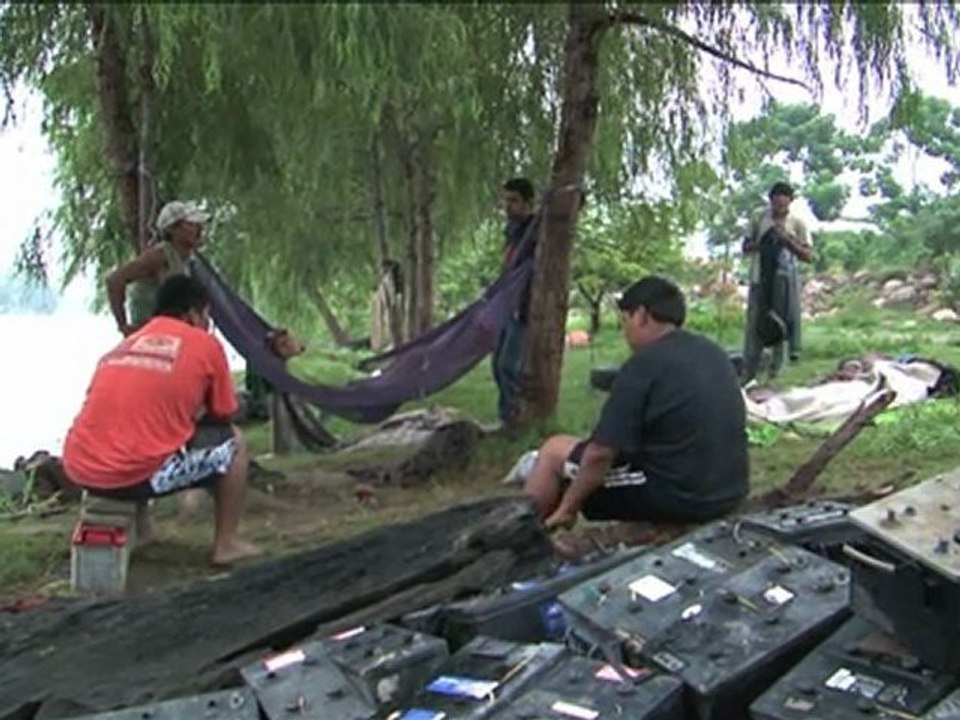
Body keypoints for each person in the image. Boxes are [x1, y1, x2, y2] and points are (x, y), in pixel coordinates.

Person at [62, 275, 261, 566]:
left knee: (145, 432)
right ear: (194, 313)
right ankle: (226, 543)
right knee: (235, 443)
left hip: (82, 468)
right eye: (206, 316)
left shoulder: (127, 343)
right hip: (135, 475)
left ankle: (144, 532)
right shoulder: (205, 344)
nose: (207, 323)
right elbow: (223, 413)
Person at [523, 276, 749, 530]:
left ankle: (524, 535)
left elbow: (601, 454)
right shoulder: (713, 352)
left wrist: (569, 507)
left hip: (682, 498)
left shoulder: (644, 364)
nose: (625, 332)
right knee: (576, 456)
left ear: (641, 315)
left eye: (625, 321)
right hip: (731, 490)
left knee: (554, 451)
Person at [741, 182, 813, 384]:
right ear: (770, 201)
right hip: (760, 279)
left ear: (790, 203)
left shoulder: (797, 222)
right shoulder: (759, 217)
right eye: (776, 203)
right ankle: (749, 373)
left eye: (784, 204)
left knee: (782, 325)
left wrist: (787, 240)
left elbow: (808, 255)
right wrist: (764, 241)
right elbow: (746, 247)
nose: (779, 208)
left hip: (785, 281)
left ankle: (775, 374)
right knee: (755, 325)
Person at [492, 177, 538, 425]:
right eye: (506, 200)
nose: (508, 206)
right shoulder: (513, 230)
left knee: (509, 365)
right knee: (498, 365)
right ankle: (506, 417)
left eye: (514, 200)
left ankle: (516, 420)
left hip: (525, 305)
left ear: (528, 203)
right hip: (507, 305)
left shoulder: (535, 228)